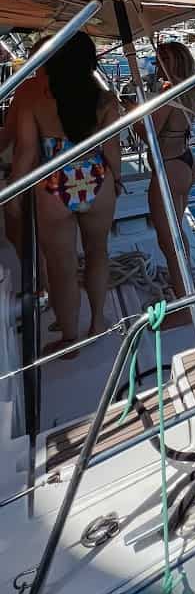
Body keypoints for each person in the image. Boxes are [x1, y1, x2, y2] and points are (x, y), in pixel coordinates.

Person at [10, 32, 122, 354]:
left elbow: (26, 153)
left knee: (62, 267)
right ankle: (97, 322)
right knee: (98, 253)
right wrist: (115, 179)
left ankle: (70, 338)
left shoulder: (31, 93)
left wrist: (15, 198)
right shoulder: (106, 100)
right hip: (97, 179)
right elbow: (111, 150)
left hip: (53, 184)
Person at [138, 42, 195, 312]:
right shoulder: (191, 90)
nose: (156, 62)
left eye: (161, 59)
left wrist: (129, 115)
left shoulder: (169, 93)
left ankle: (185, 307)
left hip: (169, 168)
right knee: (177, 234)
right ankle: (185, 286)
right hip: (185, 163)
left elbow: (147, 133)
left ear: (171, 62)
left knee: (169, 240)